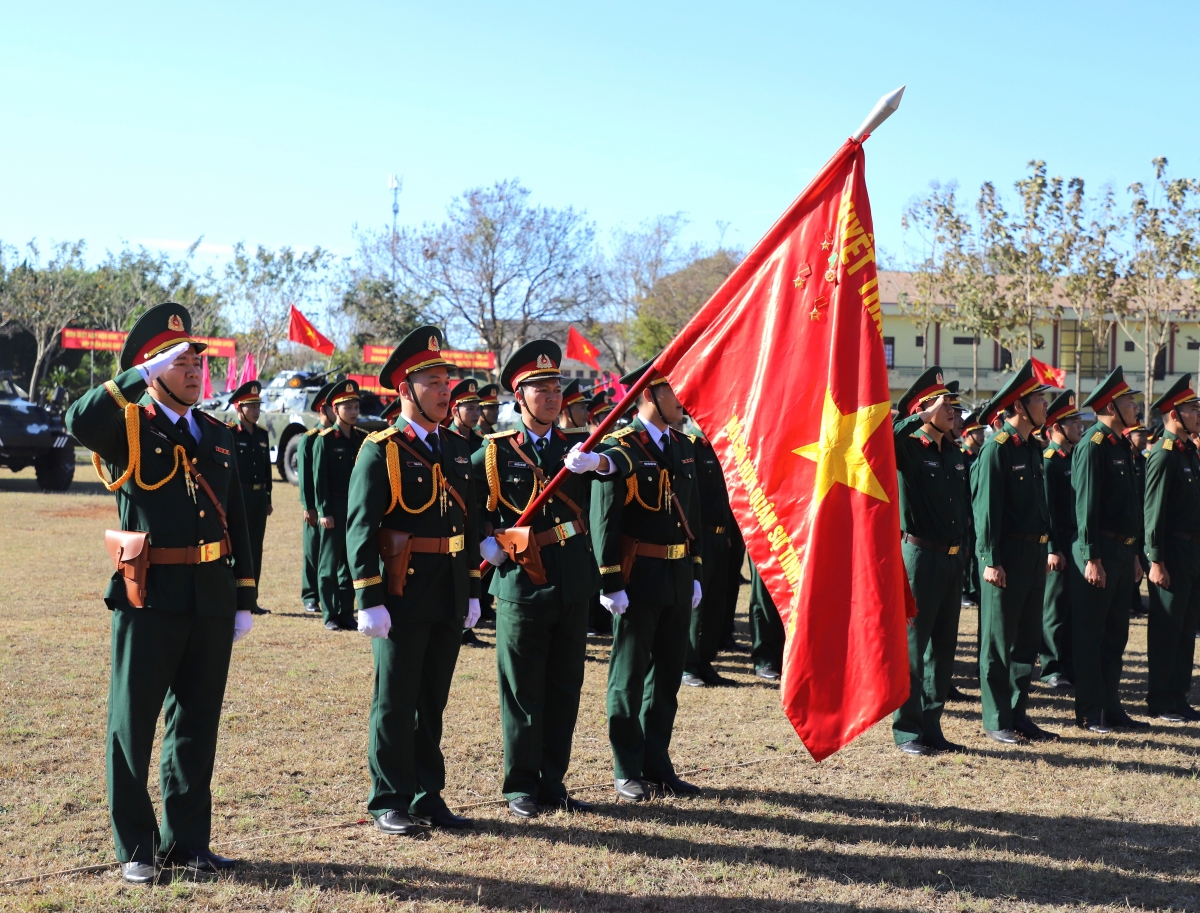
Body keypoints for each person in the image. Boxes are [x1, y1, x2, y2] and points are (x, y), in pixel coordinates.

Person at [66, 302, 257, 883]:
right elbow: (77, 419)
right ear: (152, 371)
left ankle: (188, 843)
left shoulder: (218, 433)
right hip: (149, 593)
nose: (195, 369)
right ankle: (136, 847)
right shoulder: (127, 426)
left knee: (197, 723)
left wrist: (243, 595)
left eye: (198, 359)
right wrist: (134, 380)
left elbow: (239, 520)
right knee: (134, 722)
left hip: (210, 594)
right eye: (179, 361)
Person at [346, 326, 482, 835]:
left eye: (446, 380)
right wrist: (368, 598)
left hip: (447, 586)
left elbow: (467, 527)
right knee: (396, 699)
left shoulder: (456, 446)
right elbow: (361, 528)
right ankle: (388, 798)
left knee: (433, 700)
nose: (445, 390)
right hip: (403, 590)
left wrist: (472, 589)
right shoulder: (380, 449)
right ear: (404, 389)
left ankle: (428, 794)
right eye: (432, 381)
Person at [474, 341, 613, 818]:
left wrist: (598, 462)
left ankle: (553, 781)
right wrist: (483, 541)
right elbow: (468, 504)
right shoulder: (494, 453)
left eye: (556, 388)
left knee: (565, 684)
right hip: (519, 581)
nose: (553, 396)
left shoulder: (577, 448)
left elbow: (619, 465)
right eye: (541, 389)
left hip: (572, 578)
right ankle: (520, 785)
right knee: (522, 688)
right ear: (520, 397)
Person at [592, 360, 703, 802]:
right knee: (629, 675)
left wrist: (695, 571)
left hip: (676, 575)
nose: (683, 400)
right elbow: (606, 519)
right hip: (637, 578)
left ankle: (658, 763)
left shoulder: (684, 445)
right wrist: (609, 581)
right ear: (649, 395)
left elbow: (691, 514)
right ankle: (627, 767)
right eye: (675, 392)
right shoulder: (622, 445)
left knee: (667, 678)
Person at [971, 360, 1056, 744]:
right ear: (1019, 407)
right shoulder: (997, 450)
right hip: (1005, 557)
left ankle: (1018, 711)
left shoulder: (1033, 448)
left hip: (1033, 555)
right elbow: (985, 511)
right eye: (1039, 400)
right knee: (997, 640)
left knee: (1025, 639)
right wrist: (990, 560)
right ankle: (995, 717)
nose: (1045, 406)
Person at [891, 368, 968, 755]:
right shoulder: (908, 446)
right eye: (944, 404)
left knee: (943, 649)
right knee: (913, 646)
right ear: (924, 409)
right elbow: (881, 438)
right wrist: (917, 417)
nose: (952, 410)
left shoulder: (953, 451)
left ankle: (932, 725)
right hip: (919, 557)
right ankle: (907, 729)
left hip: (952, 559)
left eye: (953, 404)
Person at [1073, 366, 1150, 733]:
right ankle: (1090, 711)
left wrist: (1135, 554)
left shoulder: (1121, 444)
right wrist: (1091, 556)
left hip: (1122, 552)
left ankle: (1111, 706)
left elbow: (1130, 506)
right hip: (1100, 550)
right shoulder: (1094, 444)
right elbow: (1086, 506)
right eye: (1128, 401)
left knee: (1117, 633)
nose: (1135, 406)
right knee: (1092, 634)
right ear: (1110, 406)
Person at [1143, 374, 1200, 723]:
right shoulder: (1163, 455)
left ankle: (1177, 697)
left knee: (1185, 630)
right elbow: (1154, 513)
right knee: (1167, 631)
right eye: (1193, 409)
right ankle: (1161, 699)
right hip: (1172, 554)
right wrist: (1156, 560)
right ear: (1175, 415)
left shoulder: (1188, 452)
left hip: (1192, 553)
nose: (1198, 414)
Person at [313, 379, 367, 631]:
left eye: (356, 406)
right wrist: (324, 511)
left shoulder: (362, 439)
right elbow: (319, 479)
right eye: (348, 407)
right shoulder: (324, 440)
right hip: (334, 506)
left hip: (355, 508)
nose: (354, 411)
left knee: (351, 562)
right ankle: (330, 614)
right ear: (335, 410)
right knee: (329, 564)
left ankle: (347, 612)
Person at [681, 426, 733, 688]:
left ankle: (705, 662)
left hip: (720, 535)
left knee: (715, 604)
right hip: (700, 535)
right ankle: (688, 664)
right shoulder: (691, 445)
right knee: (696, 605)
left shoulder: (722, 446)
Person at [1040, 390, 1085, 689]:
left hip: (1075, 540)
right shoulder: (1050, 461)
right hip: (1058, 540)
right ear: (1056, 427)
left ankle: (1068, 663)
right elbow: (1047, 512)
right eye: (1073, 422)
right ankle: (1051, 666)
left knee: (1071, 607)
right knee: (1054, 607)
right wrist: (1053, 548)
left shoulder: (1072, 458)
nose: (1079, 427)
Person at [226, 381, 273, 602]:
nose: (256, 411)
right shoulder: (230, 434)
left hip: (258, 497)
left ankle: (251, 599)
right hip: (240, 497)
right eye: (250, 407)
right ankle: (236, 597)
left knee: (256, 548)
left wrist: (268, 497)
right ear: (239, 408)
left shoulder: (262, 435)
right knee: (238, 547)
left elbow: (267, 471)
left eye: (257, 406)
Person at [298, 383, 336, 614]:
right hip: (314, 505)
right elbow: (305, 477)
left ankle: (329, 596)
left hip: (332, 503)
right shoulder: (310, 439)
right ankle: (310, 595)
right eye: (334, 406)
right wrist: (309, 506)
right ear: (324, 409)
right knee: (312, 550)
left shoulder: (334, 438)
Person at [1126, 423, 1151, 618]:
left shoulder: (1144, 461)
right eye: (1139, 435)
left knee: (1142, 563)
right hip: (1129, 523)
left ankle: (1136, 601)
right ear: (1128, 436)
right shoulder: (1125, 460)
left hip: (1144, 522)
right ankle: (1130, 601)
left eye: (1145, 435)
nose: (1144, 438)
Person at [747, 562, 784, 680]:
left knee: (787, 595)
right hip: (764, 545)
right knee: (763, 597)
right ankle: (764, 659)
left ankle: (783, 655)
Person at [447, 378, 486, 452]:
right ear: (455, 411)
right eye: (470, 408)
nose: (477, 414)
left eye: (478, 409)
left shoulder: (482, 441)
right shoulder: (444, 439)